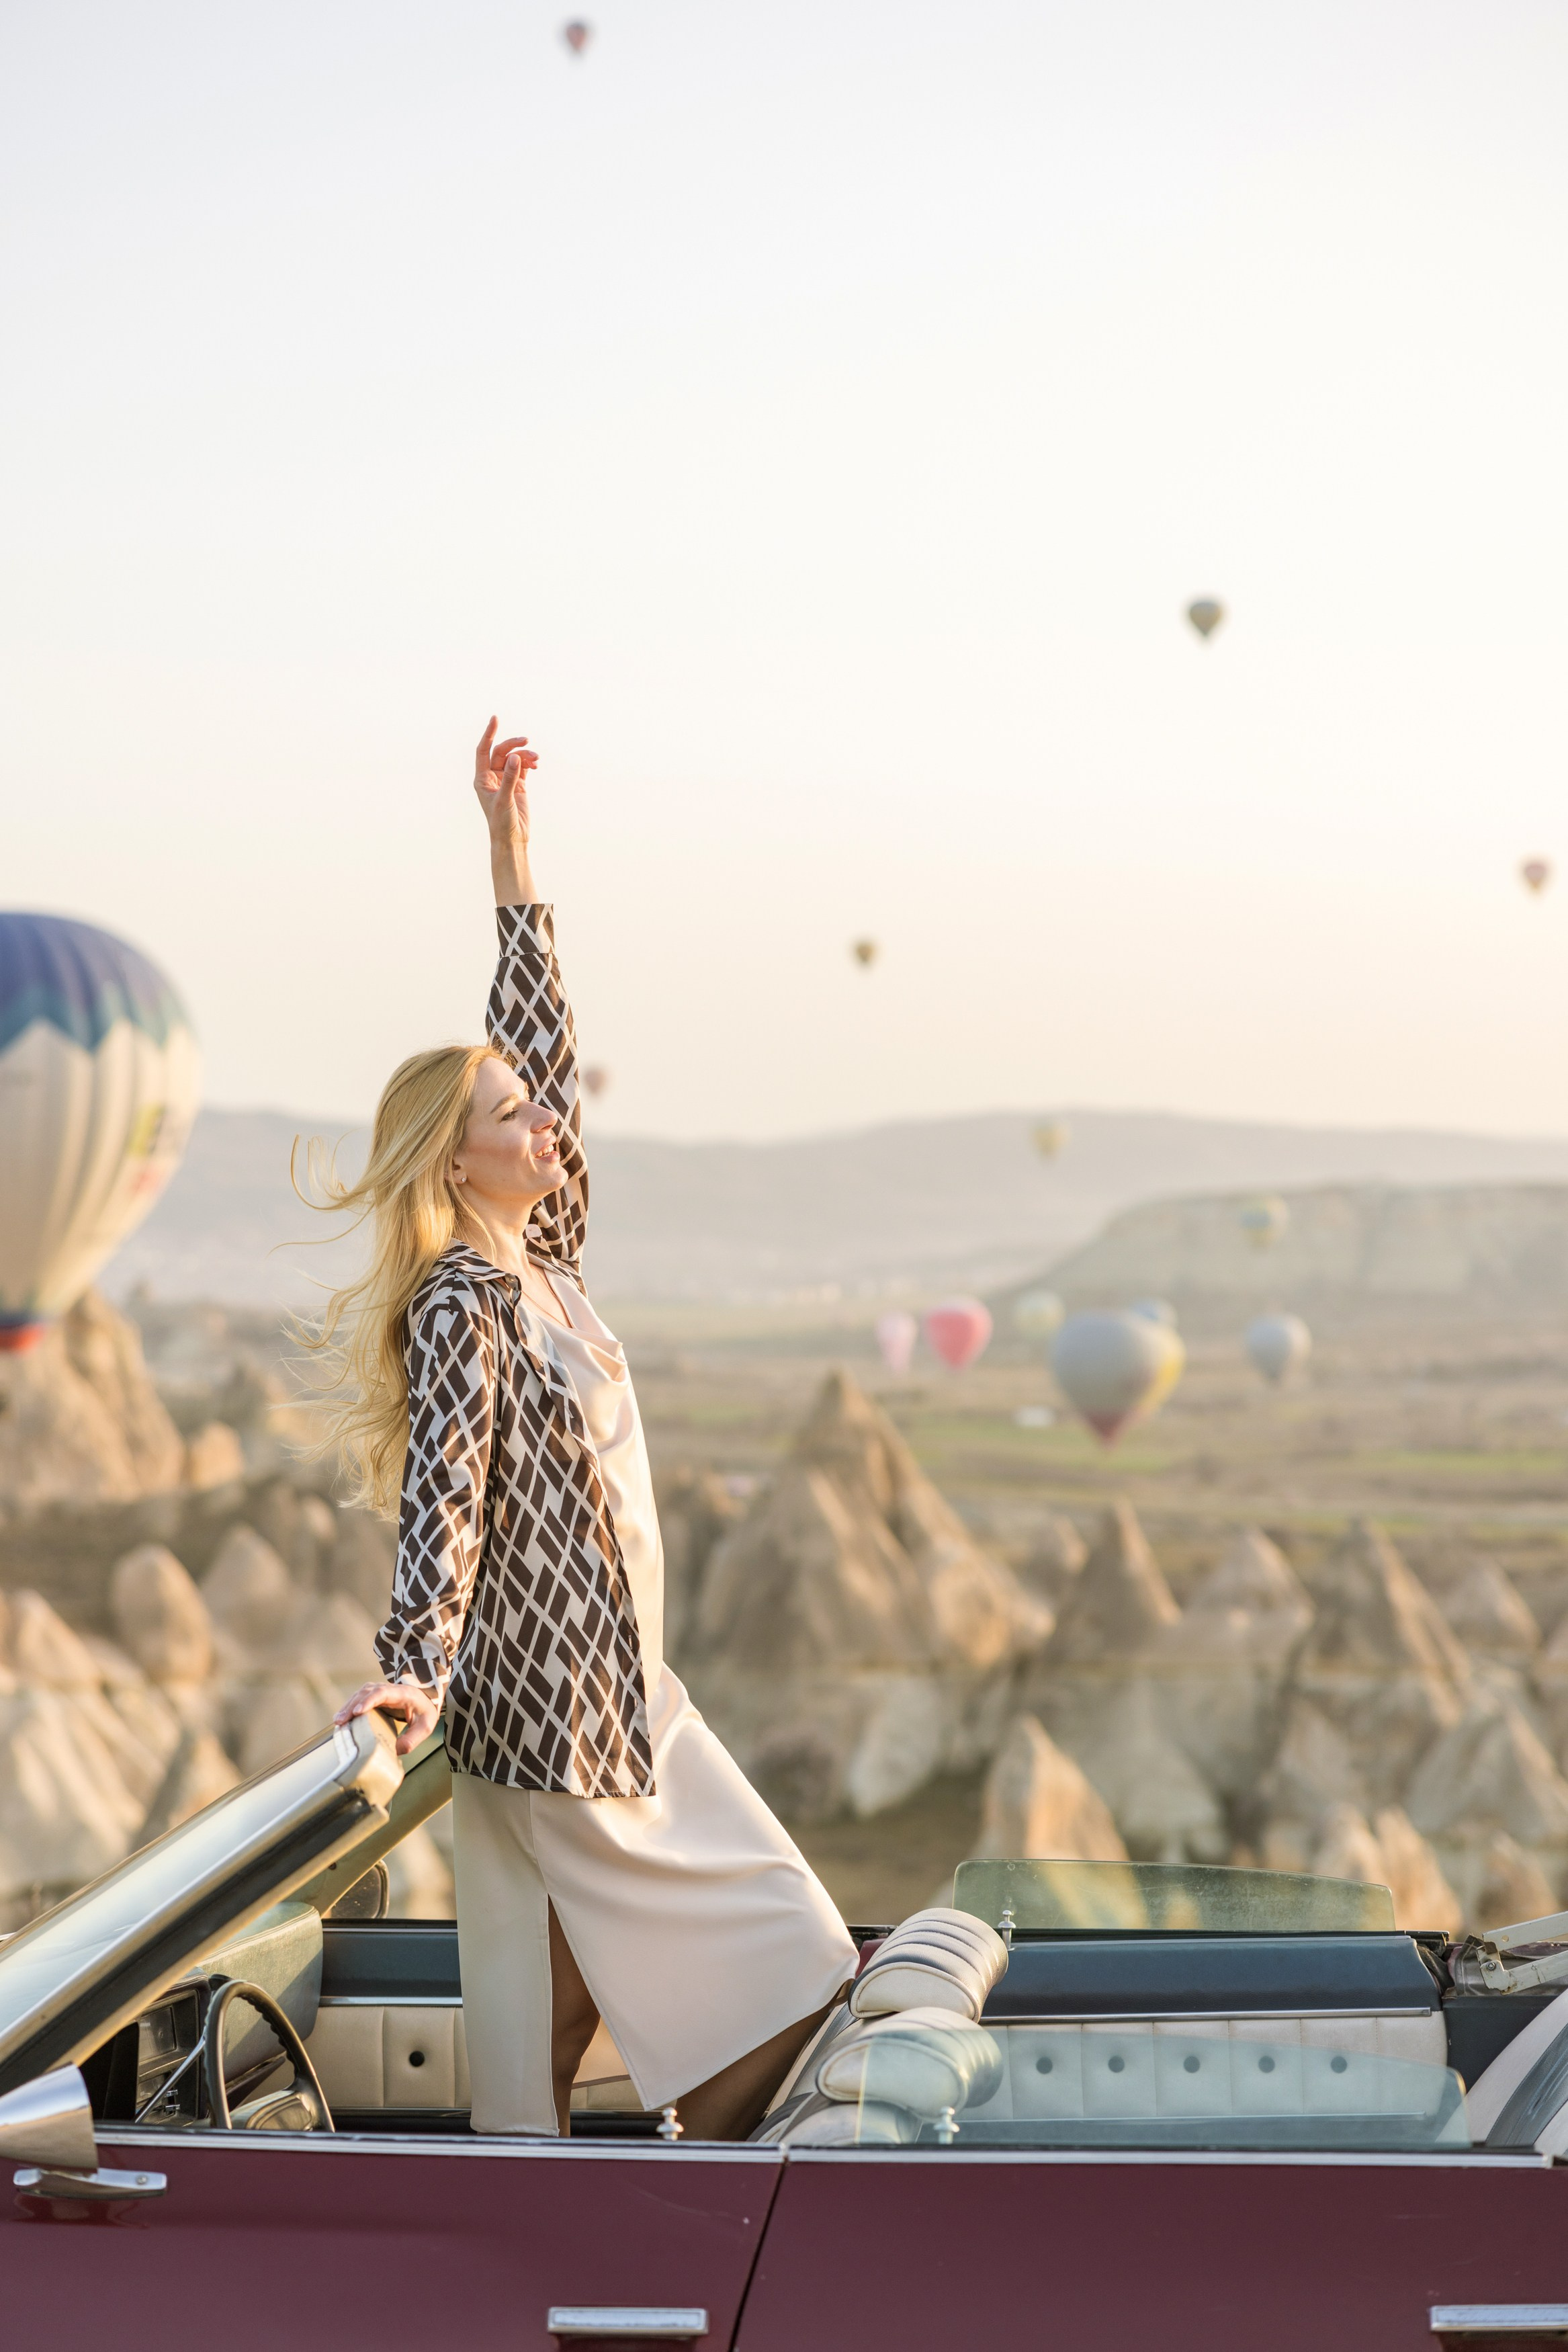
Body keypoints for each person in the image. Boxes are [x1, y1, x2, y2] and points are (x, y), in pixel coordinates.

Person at [324, 720, 857, 2138]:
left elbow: (546, 1048)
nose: (548, 1122)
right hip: (554, 1706)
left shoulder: (543, 1258)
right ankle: (749, 2187)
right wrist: (409, 1676)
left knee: (536, 2008)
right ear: (457, 1156)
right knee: (787, 1949)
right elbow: (446, 1496)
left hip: (624, 1683)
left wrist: (512, 856)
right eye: (513, 1115)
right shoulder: (461, 1299)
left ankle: (537, 2202)